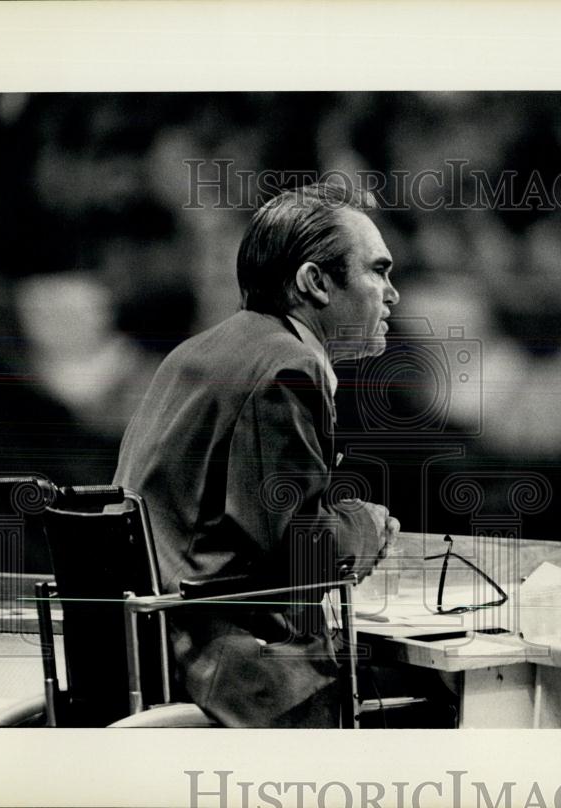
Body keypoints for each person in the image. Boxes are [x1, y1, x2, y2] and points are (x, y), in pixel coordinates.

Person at [113, 182, 401, 727]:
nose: (393, 295)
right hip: (239, 682)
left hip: (151, 662)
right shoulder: (288, 366)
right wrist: (365, 527)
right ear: (315, 283)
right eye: (378, 271)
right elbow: (301, 556)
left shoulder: (196, 352)